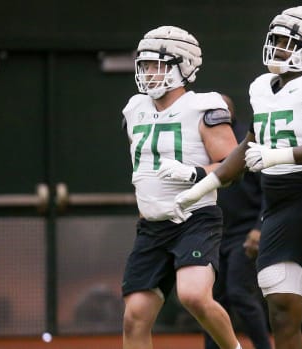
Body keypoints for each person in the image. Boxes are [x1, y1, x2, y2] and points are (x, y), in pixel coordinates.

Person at [173, 6, 302, 349]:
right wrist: (200, 188)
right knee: (284, 316)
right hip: (279, 208)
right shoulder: (262, 89)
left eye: (285, 42)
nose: (276, 48)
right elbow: (246, 148)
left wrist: (278, 156)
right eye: (274, 39)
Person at [120, 25, 242, 349]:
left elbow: (233, 165)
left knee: (193, 295)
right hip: (152, 225)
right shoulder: (135, 110)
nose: (148, 72)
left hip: (194, 219)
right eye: (144, 65)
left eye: (156, 65)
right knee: (134, 315)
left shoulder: (203, 107)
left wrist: (194, 174)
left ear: (183, 66)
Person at [204, 95, 272, 349]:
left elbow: (269, 190)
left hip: (245, 233)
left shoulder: (248, 141)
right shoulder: (204, 143)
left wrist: (258, 228)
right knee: (211, 300)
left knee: (239, 293)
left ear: (231, 112)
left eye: (222, 109)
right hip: (213, 233)